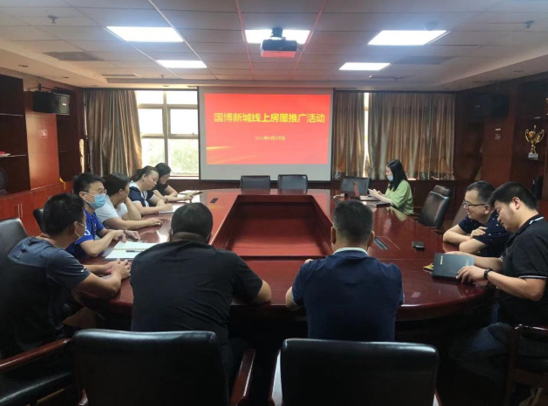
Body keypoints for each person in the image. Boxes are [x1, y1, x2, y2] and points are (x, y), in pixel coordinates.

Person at [131, 203, 271, 384]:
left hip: (147, 373)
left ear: (171, 234)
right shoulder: (226, 261)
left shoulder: (141, 260)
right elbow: (264, 295)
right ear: (209, 238)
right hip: (206, 376)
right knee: (250, 344)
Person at [0, 193, 131, 360]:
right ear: (75, 227)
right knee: (115, 343)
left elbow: (63, 268)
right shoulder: (56, 257)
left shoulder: (26, 243)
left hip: (14, 342)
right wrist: (117, 273)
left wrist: (102, 268)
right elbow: (108, 289)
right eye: (84, 222)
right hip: (38, 352)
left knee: (86, 309)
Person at [450, 182, 548, 403]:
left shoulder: (532, 238)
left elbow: (533, 289)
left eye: (499, 211)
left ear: (516, 203)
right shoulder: (526, 230)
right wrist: (467, 259)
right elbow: (502, 263)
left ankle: (521, 387)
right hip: (510, 312)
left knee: (457, 349)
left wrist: (487, 275)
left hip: (526, 329)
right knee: (462, 321)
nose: (498, 218)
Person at [285, 200, 404, 341]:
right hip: (376, 357)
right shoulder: (392, 275)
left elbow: (290, 303)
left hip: (322, 356)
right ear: (371, 239)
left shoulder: (311, 271)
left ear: (332, 234)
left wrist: (304, 272)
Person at [67, 173, 139, 259]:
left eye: (104, 192)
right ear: (83, 195)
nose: (103, 195)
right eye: (100, 192)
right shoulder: (77, 216)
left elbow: (103, 232)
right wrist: (113, 233)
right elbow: (92, 250)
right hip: (70, 262)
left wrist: (124, 232)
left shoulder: (91, 213)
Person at [443, 181, 510, 257]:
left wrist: (473, 239)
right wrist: (469, 238)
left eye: (469, 204)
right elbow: (447, 235)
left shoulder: (498, 222)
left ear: (486, 208)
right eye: (465, 203)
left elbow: (464, 248)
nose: (465, 207)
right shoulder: (474, 217)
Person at [96, 173, 163, 230]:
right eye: (128, 187)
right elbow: (123, 225)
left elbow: (136, 219)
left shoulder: (119, 203)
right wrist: (148, 222)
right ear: (121, 191)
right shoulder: (103, 205)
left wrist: (126, 198)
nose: (129, 190)